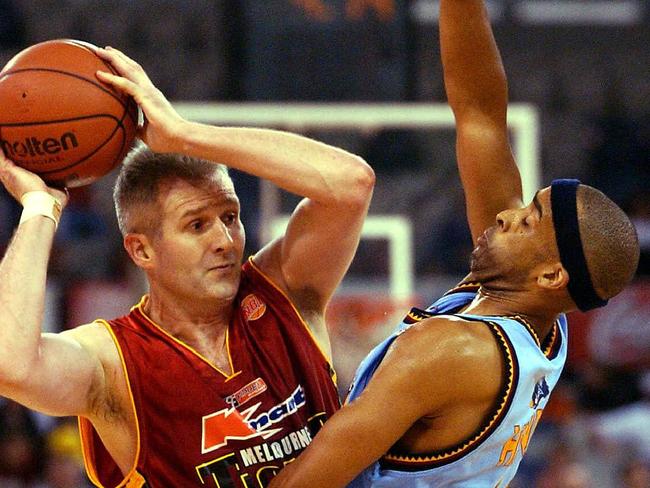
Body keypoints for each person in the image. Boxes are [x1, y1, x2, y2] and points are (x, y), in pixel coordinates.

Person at [269, 0, 640, 487]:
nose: (507, 215)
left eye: (529, 221)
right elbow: (480, 114)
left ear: (550, 275)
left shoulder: (450, 351)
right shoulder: (540, 322)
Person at [0, 46, 375, 487]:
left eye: (230, 217)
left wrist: (184, 134)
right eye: (197, 225)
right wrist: (40, 207)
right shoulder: (114, 361)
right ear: (142, 251)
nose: (224, 241)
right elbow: (11, 366)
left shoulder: (282, 290)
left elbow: (352, 185)